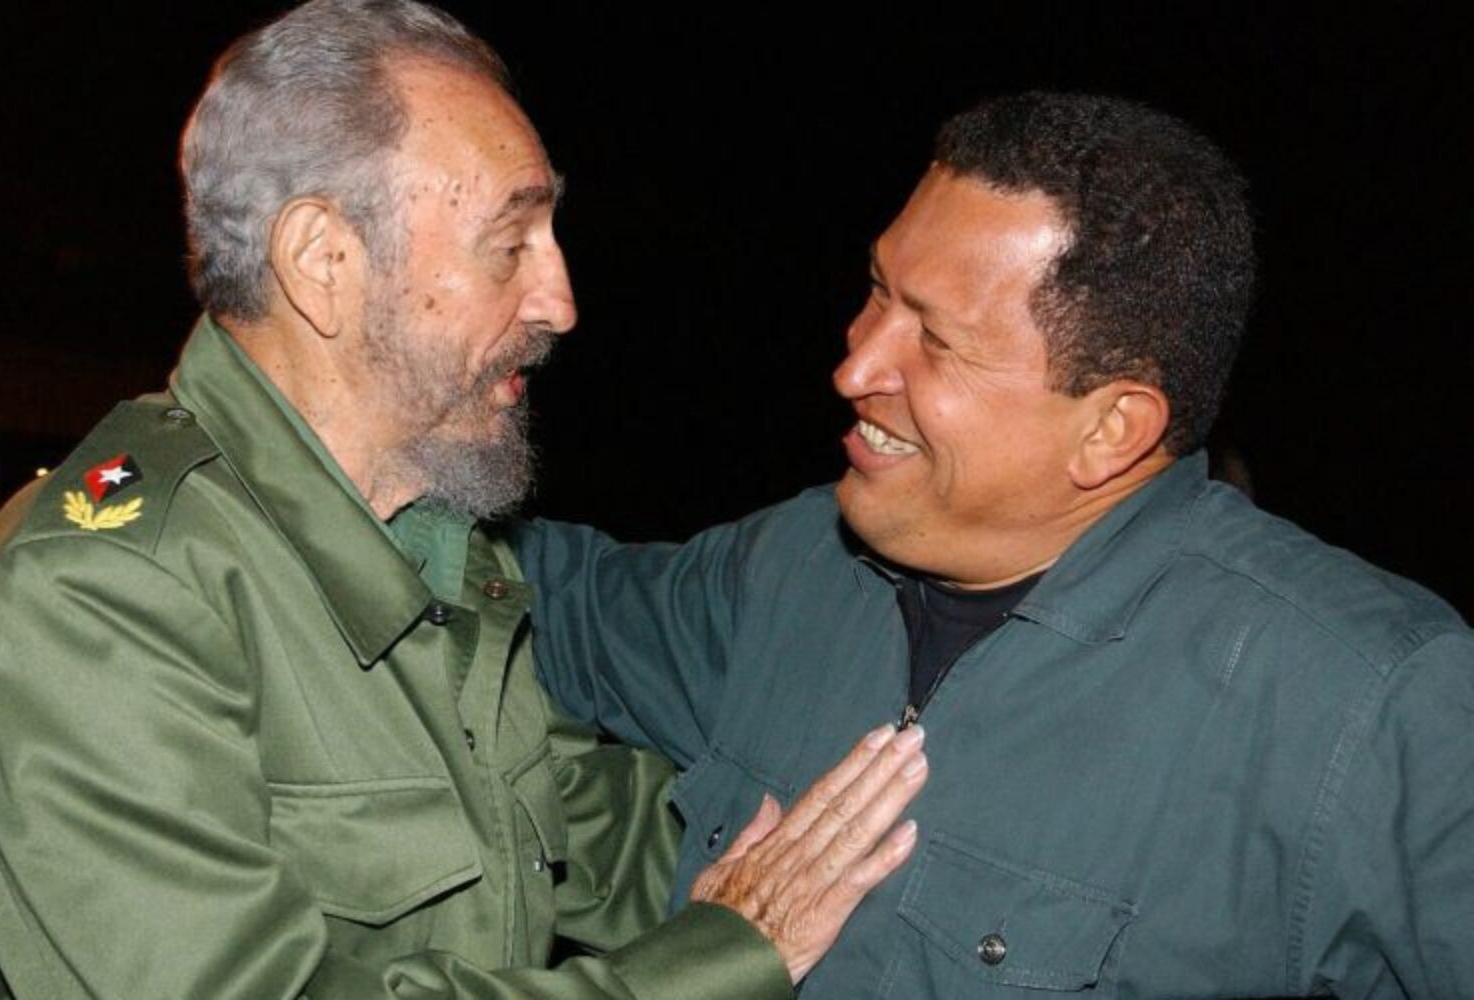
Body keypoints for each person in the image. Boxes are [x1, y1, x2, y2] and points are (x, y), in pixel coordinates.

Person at [0, 3, 929, 997]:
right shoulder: (106, 596)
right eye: (510, 244)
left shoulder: (427, 537)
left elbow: (587, 826)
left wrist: (906, 863)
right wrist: (726, 958)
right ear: (324, 261)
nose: (560, 303)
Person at [518, 92, 1474, 998]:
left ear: (1112, 429)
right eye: (878, 290)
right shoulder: (795, 566)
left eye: (935, 340)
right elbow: (532, 594)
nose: (855, 364)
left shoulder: (1371, 704)